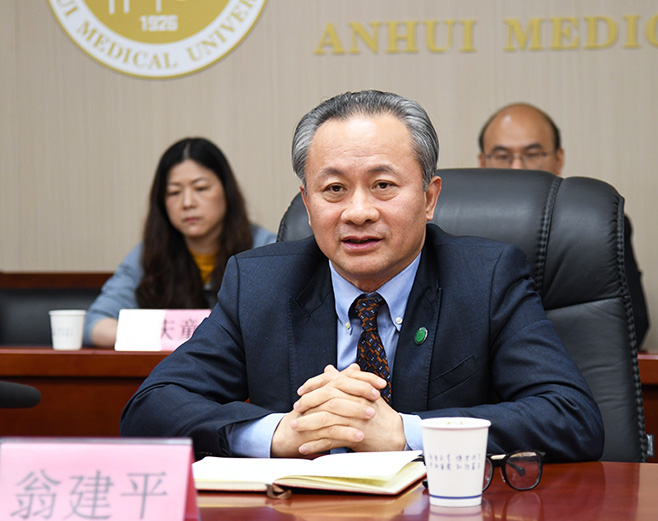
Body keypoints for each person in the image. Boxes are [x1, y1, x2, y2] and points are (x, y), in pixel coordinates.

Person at [121, 91, 604, 462]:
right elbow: (151, 408)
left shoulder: (487, 278)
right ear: (307, 203)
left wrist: (405, 434)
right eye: (334, 189)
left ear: (430, 198)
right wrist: (281, 434)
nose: (358, 212)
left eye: (383, 185)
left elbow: (572, 417)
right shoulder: (259, 283)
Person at [478, 103, 649, 346]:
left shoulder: (597, 228)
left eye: (532, 155)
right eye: (502, 157)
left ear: (558, 160)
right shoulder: (454, 230)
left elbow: (632, 326)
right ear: (482, 162)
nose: (517, 168)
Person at [84, 137, 276, 347]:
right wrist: (167, 335)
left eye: (200, 188)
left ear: (226, 191)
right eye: (174, 192)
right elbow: (95, 325)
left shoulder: (267, 249)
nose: (187, 203)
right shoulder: (149, 255)